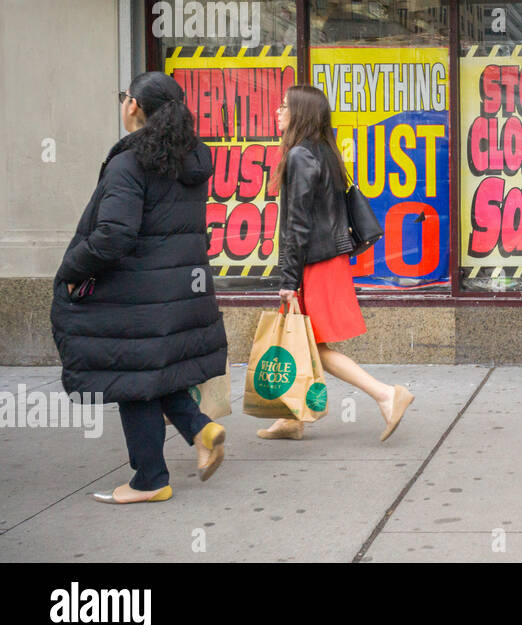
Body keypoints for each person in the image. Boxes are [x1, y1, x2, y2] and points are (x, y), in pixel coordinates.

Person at [50, 72, 229, 504]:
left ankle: (150, 480)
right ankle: (199, 428)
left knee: (129, 377)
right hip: (177, 291)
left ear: (133, 106)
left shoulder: (130, 162)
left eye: (124, 97)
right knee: (149, 369)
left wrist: (72, 268)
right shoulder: (188, 159)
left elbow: (114, 234)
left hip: (136, 293)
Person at [257, 84, 412, 442]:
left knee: (317, 346)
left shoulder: (299, 156)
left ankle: (387, 394)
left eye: (284, 106)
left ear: (301, 114)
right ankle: (292, 417)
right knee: (303, 341)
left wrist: (288, 280)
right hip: (326, 260)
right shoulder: (323, 151)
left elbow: (298, 225)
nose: (278, 112)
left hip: (315, 264)